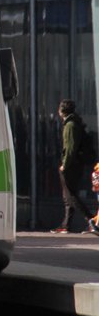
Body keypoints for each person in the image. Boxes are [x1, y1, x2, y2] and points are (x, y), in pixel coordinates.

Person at [53, 99, 98, 234]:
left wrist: (65, 165)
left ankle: (91, 219)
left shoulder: (70, 125)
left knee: (71, 196)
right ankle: (66, 224)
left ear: (61, 111)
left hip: (72, 165)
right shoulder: (74, 123)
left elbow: (70, 148)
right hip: (75, 163)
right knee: (68, 196)